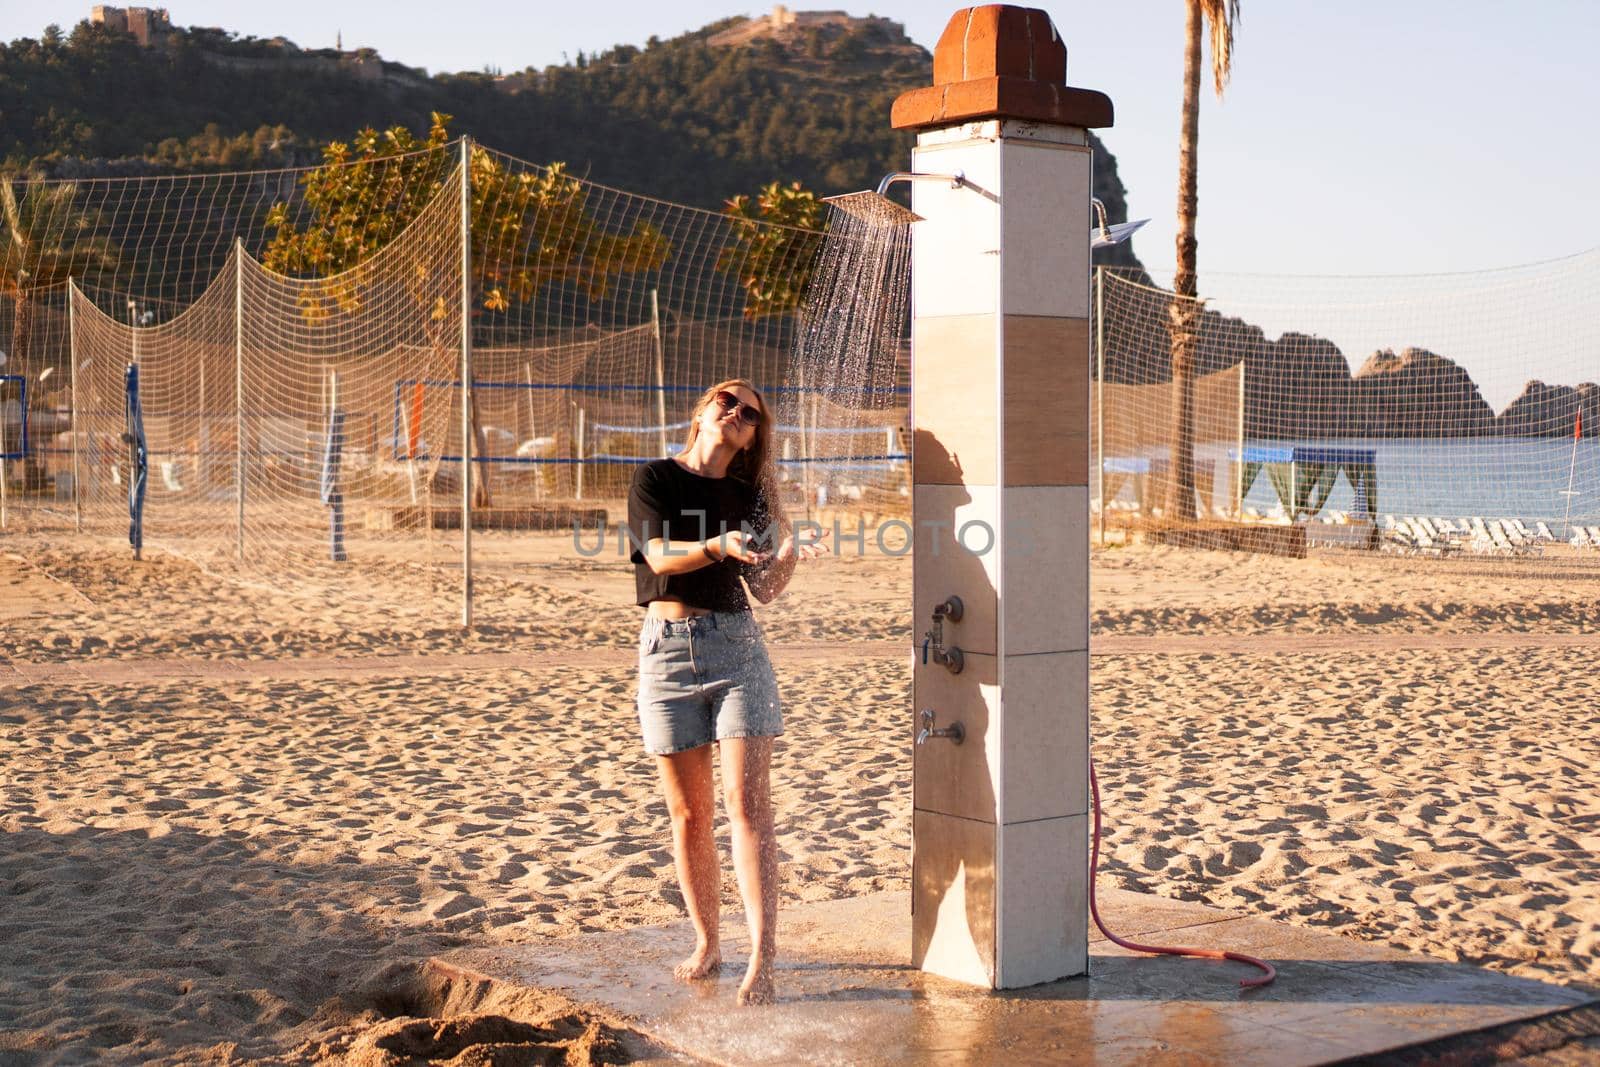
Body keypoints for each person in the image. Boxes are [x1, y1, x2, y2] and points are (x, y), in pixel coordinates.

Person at [628, 378, 826, 1005]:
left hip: (736, 650)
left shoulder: (752, 494)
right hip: (665, 653)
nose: (736, 414)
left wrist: (788, 554)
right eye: (728, 401)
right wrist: (716, 545)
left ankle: (762, 958)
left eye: (750, 414)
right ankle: (708, 942)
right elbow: (656, 557)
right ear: (704, 410)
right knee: (689, 814)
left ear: (754, 437)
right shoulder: (655, 478)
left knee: (747, 804)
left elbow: (764, 589)